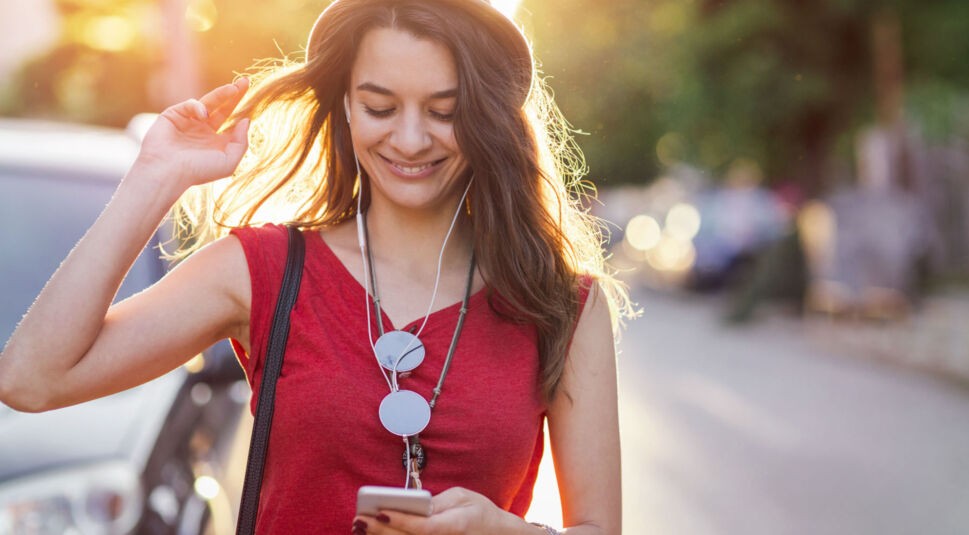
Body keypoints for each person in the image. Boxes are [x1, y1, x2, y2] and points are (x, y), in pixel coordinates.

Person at [0, 0, 631, 533]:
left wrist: (503, 531)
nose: (410, 140)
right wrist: (154, 178)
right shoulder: (263, 270)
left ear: (488, 115)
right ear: (346, 108)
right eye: (381, 108)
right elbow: (31, 379)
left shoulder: (563, 304)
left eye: (445, 111)